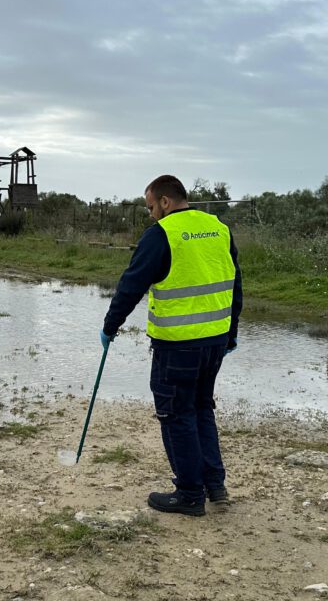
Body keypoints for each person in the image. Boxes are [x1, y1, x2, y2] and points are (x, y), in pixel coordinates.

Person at [101, 174, 241, 517]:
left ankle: (190, 494)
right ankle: (215, 486)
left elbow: (131, 284)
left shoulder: (161, 234)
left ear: (165, 202)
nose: (150, 214)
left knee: (176, 414)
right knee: (200, 408)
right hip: (215, 341)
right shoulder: (218, 228)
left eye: (151, 207)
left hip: (178, 345)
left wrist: (110, 326)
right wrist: (232, 331)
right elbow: (236, 282)